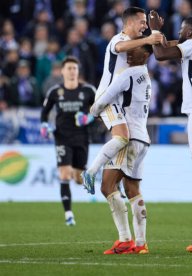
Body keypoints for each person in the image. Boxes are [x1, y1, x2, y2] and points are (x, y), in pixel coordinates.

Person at [149, 11, 192, 253]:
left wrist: (153, 30)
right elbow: (168, 44)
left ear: (189, 32)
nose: (178, 34)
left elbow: (160, 54)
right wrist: (161, 33)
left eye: (181, 30)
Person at [81, 7, 164, 193]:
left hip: (117, 100)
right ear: (129, 23)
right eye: (142, 22)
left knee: (123, 139)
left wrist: (159, 34)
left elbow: (154, 49)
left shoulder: (136, 42)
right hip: (106, 97)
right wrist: (149, 38)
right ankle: (91, 171)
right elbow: (119, 48)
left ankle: (104, 174)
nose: (145, 26)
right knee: (122, 137)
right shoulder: (118, 40)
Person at [87, 43, 153, 254]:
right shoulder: (146, 76)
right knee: (133, 190)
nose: (129, 54)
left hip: (129, 137)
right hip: (143, 139)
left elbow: (104, 97)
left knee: (107, 186)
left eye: (135, 51)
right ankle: (141, 244)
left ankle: (125, 240)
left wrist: (94, 110)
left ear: (146, 54)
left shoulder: (129, 73)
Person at [40, 56, 95, 226]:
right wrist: (44, 126)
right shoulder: (55, 92)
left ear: (78, 72)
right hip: (62, 137)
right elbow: (45, 112)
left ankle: (78, 175)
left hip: (82, 138)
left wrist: (88, 118)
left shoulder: (88, 91)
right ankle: (68, 214)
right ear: (62, 71)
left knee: (78, 179)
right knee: (64, 174)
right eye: (69, 68)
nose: (72, 72)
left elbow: (100, 110)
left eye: (74, 69)